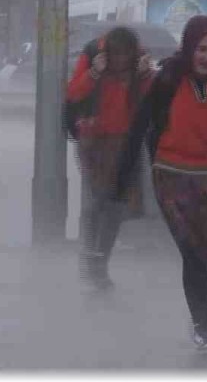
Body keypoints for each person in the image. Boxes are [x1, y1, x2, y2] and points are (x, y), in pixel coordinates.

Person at [117, 15, 207, 351]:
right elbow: (138, 126)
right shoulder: (168, 78)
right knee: (193, 251)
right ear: (189, 48)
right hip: (171, 178)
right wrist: (122, 179)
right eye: (200, 49)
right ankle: (201, 323)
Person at [65, 26, 154, 291]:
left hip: (126, 143)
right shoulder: (92, 54)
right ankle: (89, 257)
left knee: (115, 207)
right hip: (93, 143)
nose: (120, 64)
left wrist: (146, 74)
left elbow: (152, 98)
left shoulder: (140, 61)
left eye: (125, 59)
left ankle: (100, 260)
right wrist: (93, 72)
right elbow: (72, 94)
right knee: (95, 202)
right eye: (116, 58)